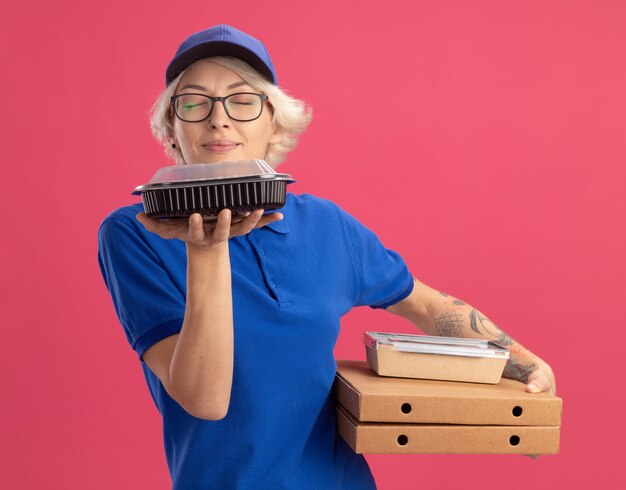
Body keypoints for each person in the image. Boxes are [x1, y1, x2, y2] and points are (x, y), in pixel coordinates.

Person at [98, 24, 556, 490]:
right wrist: (209, 249)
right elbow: (206, 400)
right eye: (194, 102)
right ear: (172, 128)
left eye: (242, 100)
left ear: (274, 124)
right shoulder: (134, 234)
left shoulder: (327, 225)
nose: (219, 119)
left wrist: (523, 361)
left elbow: (425, 304)